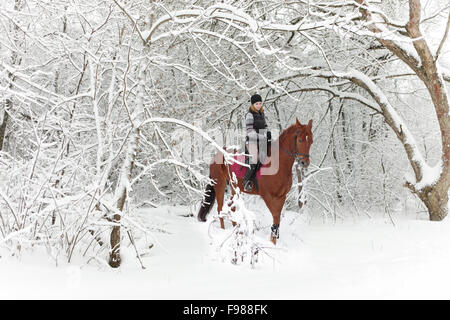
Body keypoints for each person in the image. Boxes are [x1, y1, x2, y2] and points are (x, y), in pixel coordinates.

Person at [243, 94, 271, 191]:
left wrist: (268, 132)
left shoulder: (262, 113)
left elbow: (265, 126)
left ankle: (259, 179)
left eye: (260, 103)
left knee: (265, 158)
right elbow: (250, 132)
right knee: (254, 160)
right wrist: (262, 137)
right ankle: (246, 182)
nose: (259, 105)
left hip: (261, 141)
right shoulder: (249, 115)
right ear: (252, 104)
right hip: (251, 141)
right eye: (257, 104)